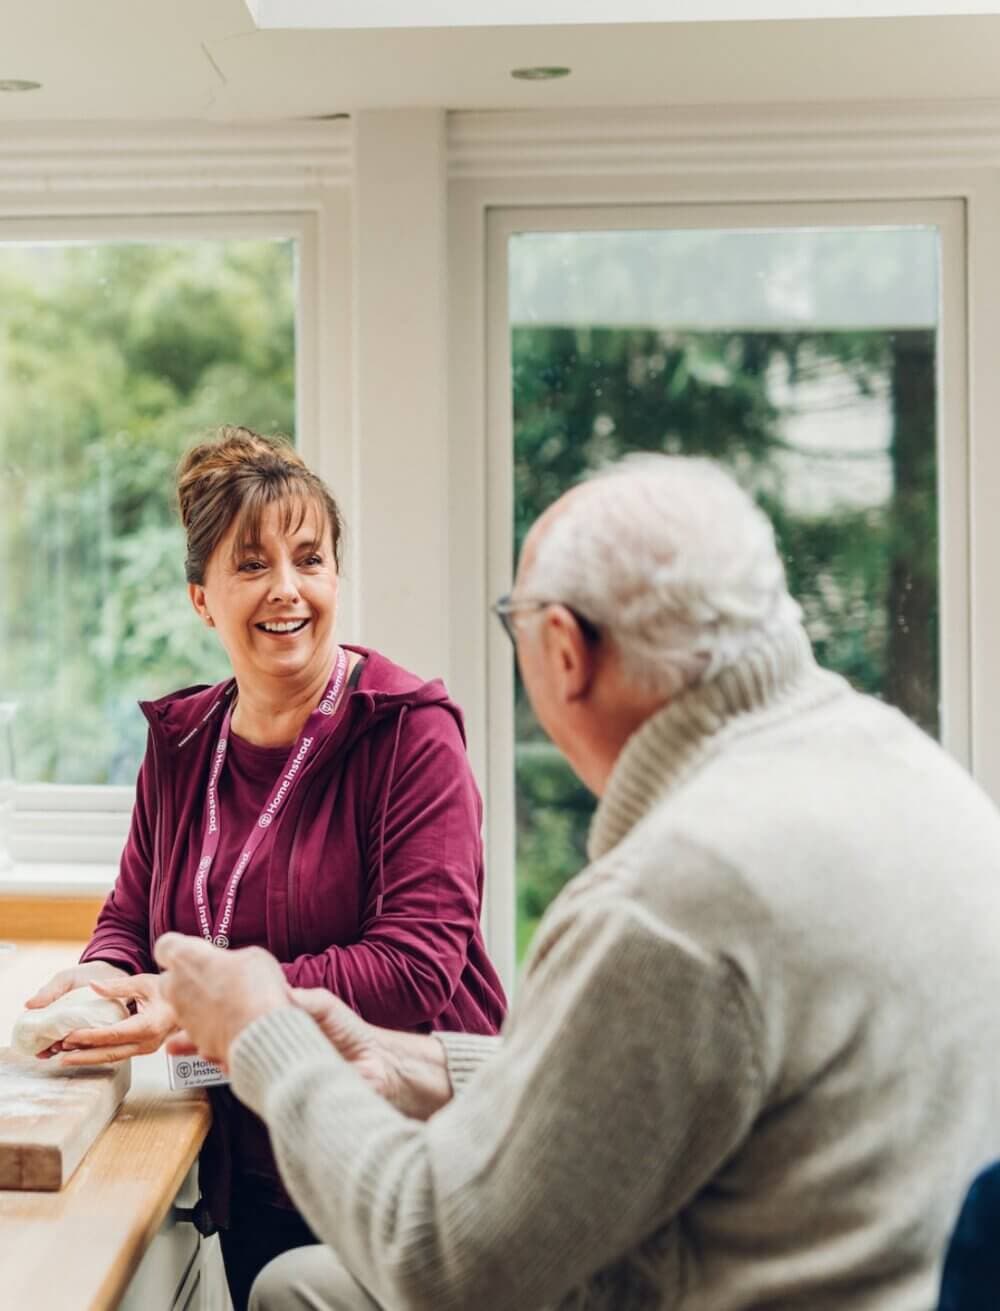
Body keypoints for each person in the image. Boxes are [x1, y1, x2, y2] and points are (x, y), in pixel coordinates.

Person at [154, 453, 1000, 1311]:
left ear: (562, 648)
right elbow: (659, 1078)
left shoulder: (671, 902)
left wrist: (267, 1038)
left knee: (292, 1293)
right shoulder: (917, 772)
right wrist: (418, 1063)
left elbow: (440, 1255)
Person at [24, 427, 506, 1311]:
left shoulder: (409, 732)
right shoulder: (182, 741)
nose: (288, 588)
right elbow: (133, 915)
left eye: (309, 558)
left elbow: (413, 972)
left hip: (403, 1156)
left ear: (334, 578)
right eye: (252, 564)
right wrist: (104, 977)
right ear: (203, 599)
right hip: (249, 1164)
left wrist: (206, 1006)